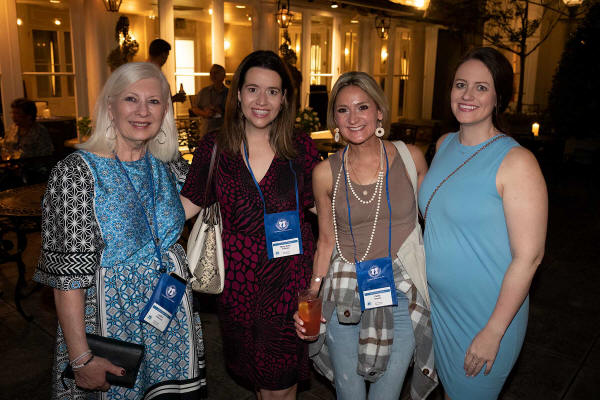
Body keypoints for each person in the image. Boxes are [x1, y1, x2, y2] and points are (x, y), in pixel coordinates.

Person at [33, 62, 207, 399]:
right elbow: (67, 281)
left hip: (170, 317)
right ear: (110, 107)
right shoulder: (76, 174)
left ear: (165, 111)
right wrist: (81, 359)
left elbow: (183, 207)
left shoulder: (166, 162)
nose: (143, 111)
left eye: (154, 101)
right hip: (110, 324)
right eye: (131, 99)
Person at [180, 50, 319, 400]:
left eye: (272, 91)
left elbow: (325, 209)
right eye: (253, 89)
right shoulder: (215, 147)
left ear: (284, 99)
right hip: (237, 287)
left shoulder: (300, 147)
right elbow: (188, 204)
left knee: (280, 385)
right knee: (261, 382)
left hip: (289, 284)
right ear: (238, 94)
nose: (262, 101)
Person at [294, 71, 438, 400]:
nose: (353, 118)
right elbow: (326, 241)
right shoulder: (324, 172)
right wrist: (312, 296)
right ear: (334, 120)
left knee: (386, 393)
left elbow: (434, 224)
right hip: (345, 291)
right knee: (349, 392)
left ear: (379, 112)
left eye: (362, 107)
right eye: (343, 110)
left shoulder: (411, 158)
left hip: (402, 291)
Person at [418, 47, 547, 399]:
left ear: (499, 98)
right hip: (439, 308)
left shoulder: (516, 161)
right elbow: (440, 216)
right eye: (461, 84)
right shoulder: (444, 144)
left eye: (481, 87)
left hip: (486, 313)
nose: (467, 95)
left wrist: (494, 331)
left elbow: (530, 257)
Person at [190, 64, 228, 133]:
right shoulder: (204, 92)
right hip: (207, 131)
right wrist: (204, 113)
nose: (213, 75)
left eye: (216, 72)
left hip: (224, 131)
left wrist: (221, 111)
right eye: (211, 73)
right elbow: (194, 108)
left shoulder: (229, 93)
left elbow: (236, 112)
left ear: (224, 76)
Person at [147, 39, 186, 103]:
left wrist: (174, 98)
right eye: (167, 55)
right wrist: (174, 99)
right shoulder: (152, 73)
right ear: (163, 55)